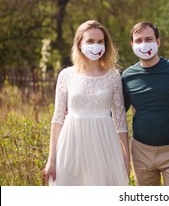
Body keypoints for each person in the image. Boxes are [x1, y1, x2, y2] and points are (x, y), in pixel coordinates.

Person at [44, 20, 130, 186]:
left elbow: (120, 122)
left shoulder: (113, 76)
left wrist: (126, 160)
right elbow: (57, 118)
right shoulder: (66, 75)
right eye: (90, 41)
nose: (95, 45)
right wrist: (51, 159)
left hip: (104, 146)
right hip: (71, 144)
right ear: (79, 44)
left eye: (100, 41)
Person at [121, 22, 169, 186]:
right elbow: (117, 113)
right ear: (132, 44)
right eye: (138, 40)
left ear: (158, 42)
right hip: (141, 151)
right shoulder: (127, 76)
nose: (143, 44)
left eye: (149, 39)